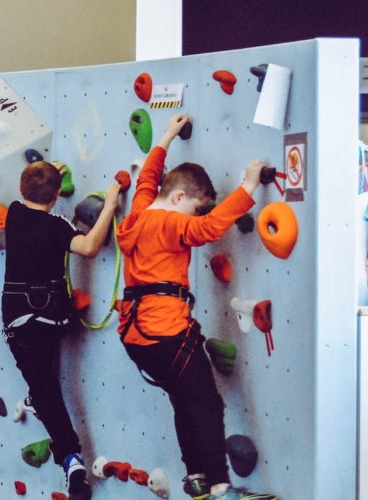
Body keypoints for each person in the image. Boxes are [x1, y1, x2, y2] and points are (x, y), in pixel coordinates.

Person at [116, 114, 275, 500]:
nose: (194, 218)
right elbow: (208, 228)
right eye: (193, 208)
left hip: (137, 337)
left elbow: (147, 180)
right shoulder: (170, 222)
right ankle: (221, 489)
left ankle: (198, 480)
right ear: (178, 199)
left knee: (184, 402)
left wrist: (167, 136)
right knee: (205, 404)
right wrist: (248, 186)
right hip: (166, 333)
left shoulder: (139, 214)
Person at [1, 160, 120, 499]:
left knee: (42, 385)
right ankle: (59, 438)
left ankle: (70, 457)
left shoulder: (13, 214)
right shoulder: (57, 225)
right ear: (56, 196)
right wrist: (109, 205)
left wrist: (46, 172)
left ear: (23, 191)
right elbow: (90, 247)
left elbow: (31, 193)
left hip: (20, 322)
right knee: (43, 383)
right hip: (53, 320)